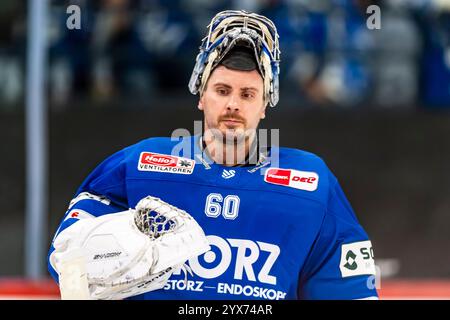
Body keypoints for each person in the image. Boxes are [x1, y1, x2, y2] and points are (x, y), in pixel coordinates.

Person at [48, 10, 378, 300]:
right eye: (222, 91)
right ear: (201, 96)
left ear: (264, 105)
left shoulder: (311, 183)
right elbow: (66, 256)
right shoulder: (139, 165)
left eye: (248, 94)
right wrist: (103, 260)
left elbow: (350, 291)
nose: (233, 104)